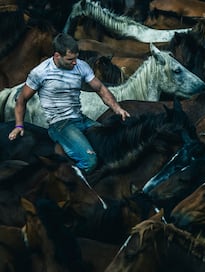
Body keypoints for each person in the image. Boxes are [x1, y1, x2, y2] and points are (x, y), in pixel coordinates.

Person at [8, 33, 130, 173]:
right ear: (57, 56)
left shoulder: (81, 66)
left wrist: (117, 109)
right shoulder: (41, 72)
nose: (75, 63)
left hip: (81, 119)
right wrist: (18, 125)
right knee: (89, 161)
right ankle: (73, 183)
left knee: (112, 144)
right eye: (70, 59)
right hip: (61, 124)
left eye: (76, 58)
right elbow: (21, 99)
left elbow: (100, 88)